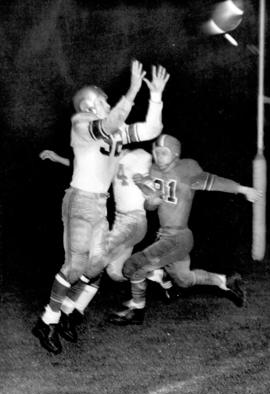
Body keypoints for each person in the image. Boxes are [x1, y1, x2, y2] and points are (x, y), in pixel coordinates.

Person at [32, 61, 170, 354]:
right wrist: (132, 90)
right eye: (104, 99)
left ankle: (67, 313)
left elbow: (152, 128)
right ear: (91, 105)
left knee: (96, 267)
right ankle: (48, 321)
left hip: (99, 204)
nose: (108, 102)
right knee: (75, 267)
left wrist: (155, 96)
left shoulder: (116, 131)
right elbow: (108, 125)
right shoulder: (80, 122)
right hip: (80, 200)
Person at [109, 134, 261, 325]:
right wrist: (149, 198)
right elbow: (152, 206)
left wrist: (243, 189)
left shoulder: (185, 170)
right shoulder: (154, 171)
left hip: (178, 236)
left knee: (132, 267)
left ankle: (137, 310)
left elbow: (213, 181)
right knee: (184, 280)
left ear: (175, 154)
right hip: (165, 237)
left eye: (164, 152)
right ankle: (225, 281)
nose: (158, 157)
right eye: (156, 152)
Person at [38, 147, 172, 342]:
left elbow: (154, 201)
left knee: (95, 262)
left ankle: (67, 312)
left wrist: (146, 189)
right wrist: (58, 158)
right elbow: (86, 171)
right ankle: (156, 273)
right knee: (116, 273)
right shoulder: (113, 157)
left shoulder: (141, 156)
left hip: (133, 222)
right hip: (120, 221)